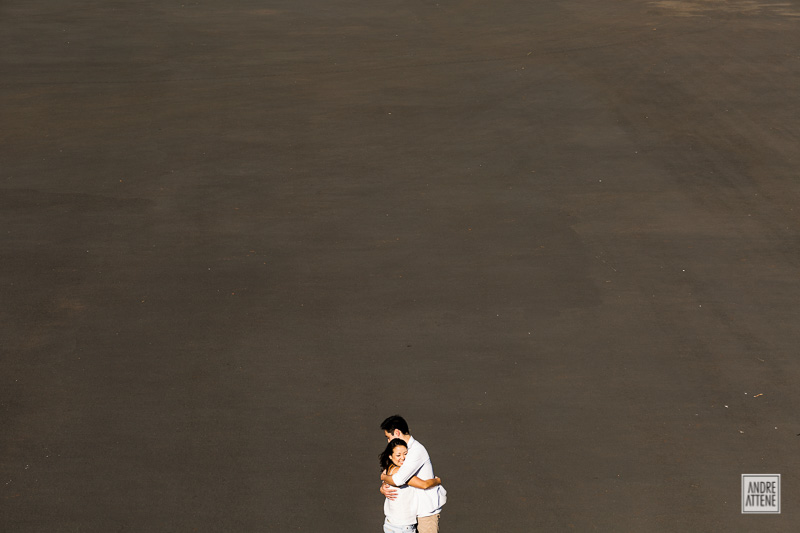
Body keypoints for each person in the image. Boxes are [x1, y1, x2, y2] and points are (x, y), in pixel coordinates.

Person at [379, 415, 447, 533]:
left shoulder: (416, 451)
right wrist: (383, 486)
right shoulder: (401, 451)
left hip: (425, 512)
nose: (388, 441)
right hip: (410, 515)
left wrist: (384, 477)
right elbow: (392, 474)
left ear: (397, 432)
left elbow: (399, 479)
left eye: (388, 437)